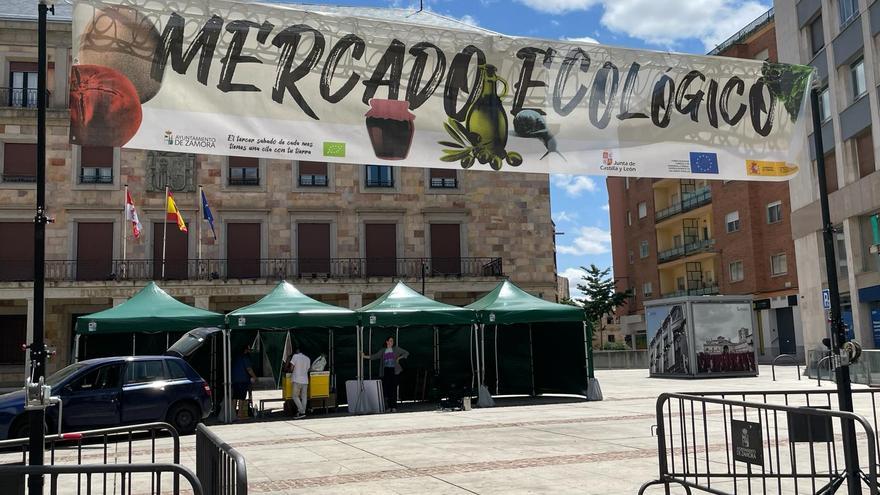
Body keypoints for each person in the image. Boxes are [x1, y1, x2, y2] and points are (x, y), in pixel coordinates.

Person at [363, 336, 409, 412]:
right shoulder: (383, 350)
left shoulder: (396, 349)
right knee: (387, 389)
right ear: (387, 342)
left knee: (393, 389)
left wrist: (399, 358)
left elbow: (406, 352)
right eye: (390, 341)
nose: (392, 342)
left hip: (394, 371)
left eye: (392, 341)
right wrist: (364, 356)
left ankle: (394, 407)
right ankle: (388, 407)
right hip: (386, 371)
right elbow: (375, 356)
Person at [231, 346, 257, 420]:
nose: (250, 351)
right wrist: (255, 377)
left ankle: (233, 414)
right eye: (249, 350)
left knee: (235, 397)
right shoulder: (245, 358)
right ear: (246, 350)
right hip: (242, 380)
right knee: (241, 398)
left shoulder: (236, 357)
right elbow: (249, 369)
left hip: (235, 379)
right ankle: (240, 414)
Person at [290, 346, 311, 419]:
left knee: (295, 396)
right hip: (305, 380)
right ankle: (302, 412)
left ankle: (302, 411)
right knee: (304, 397)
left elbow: (291, 368)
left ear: (298, 350)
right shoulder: (308, 358)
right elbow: (308, 369)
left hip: (297, 380)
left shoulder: (295, 356)